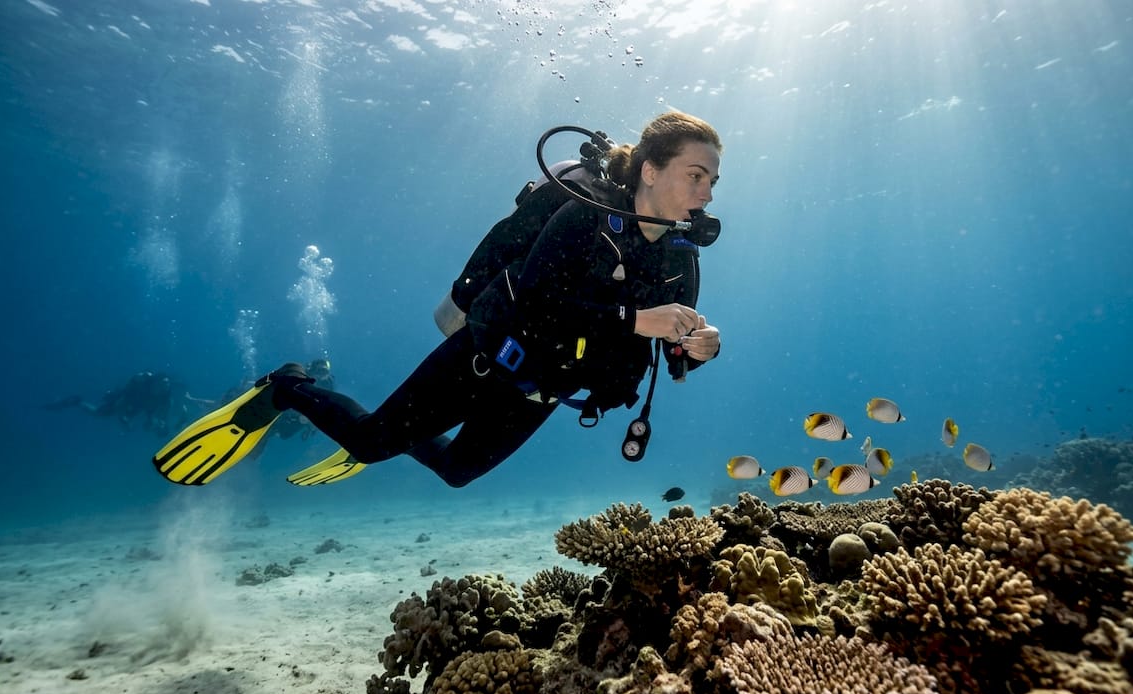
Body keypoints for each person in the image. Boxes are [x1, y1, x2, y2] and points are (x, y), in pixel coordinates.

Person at [154, 111, 723, 488]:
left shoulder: (682, 260)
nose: (707, 191)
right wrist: (633, 318)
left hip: (541, 392)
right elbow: (535, 305)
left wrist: (696, 351)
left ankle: (390, 428)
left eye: (712, 180)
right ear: (650, 169)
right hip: (490, 357)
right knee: (372, 443)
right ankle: (287, 386)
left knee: (456, 471)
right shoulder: (583, 215)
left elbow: (668, 357)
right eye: (696, 174)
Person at [46, 371, 187, 436]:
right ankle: (77, 402)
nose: (163, 388)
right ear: (154, 382)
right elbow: (123, 401)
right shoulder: (143, 383)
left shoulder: (166, 399)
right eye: (160, 384)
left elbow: (161, 418)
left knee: (151, 426)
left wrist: (159, 425)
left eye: (166, 386)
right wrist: (124, 419)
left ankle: (77, 402)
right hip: (128, 399)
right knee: (99, 413)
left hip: (143, 408)